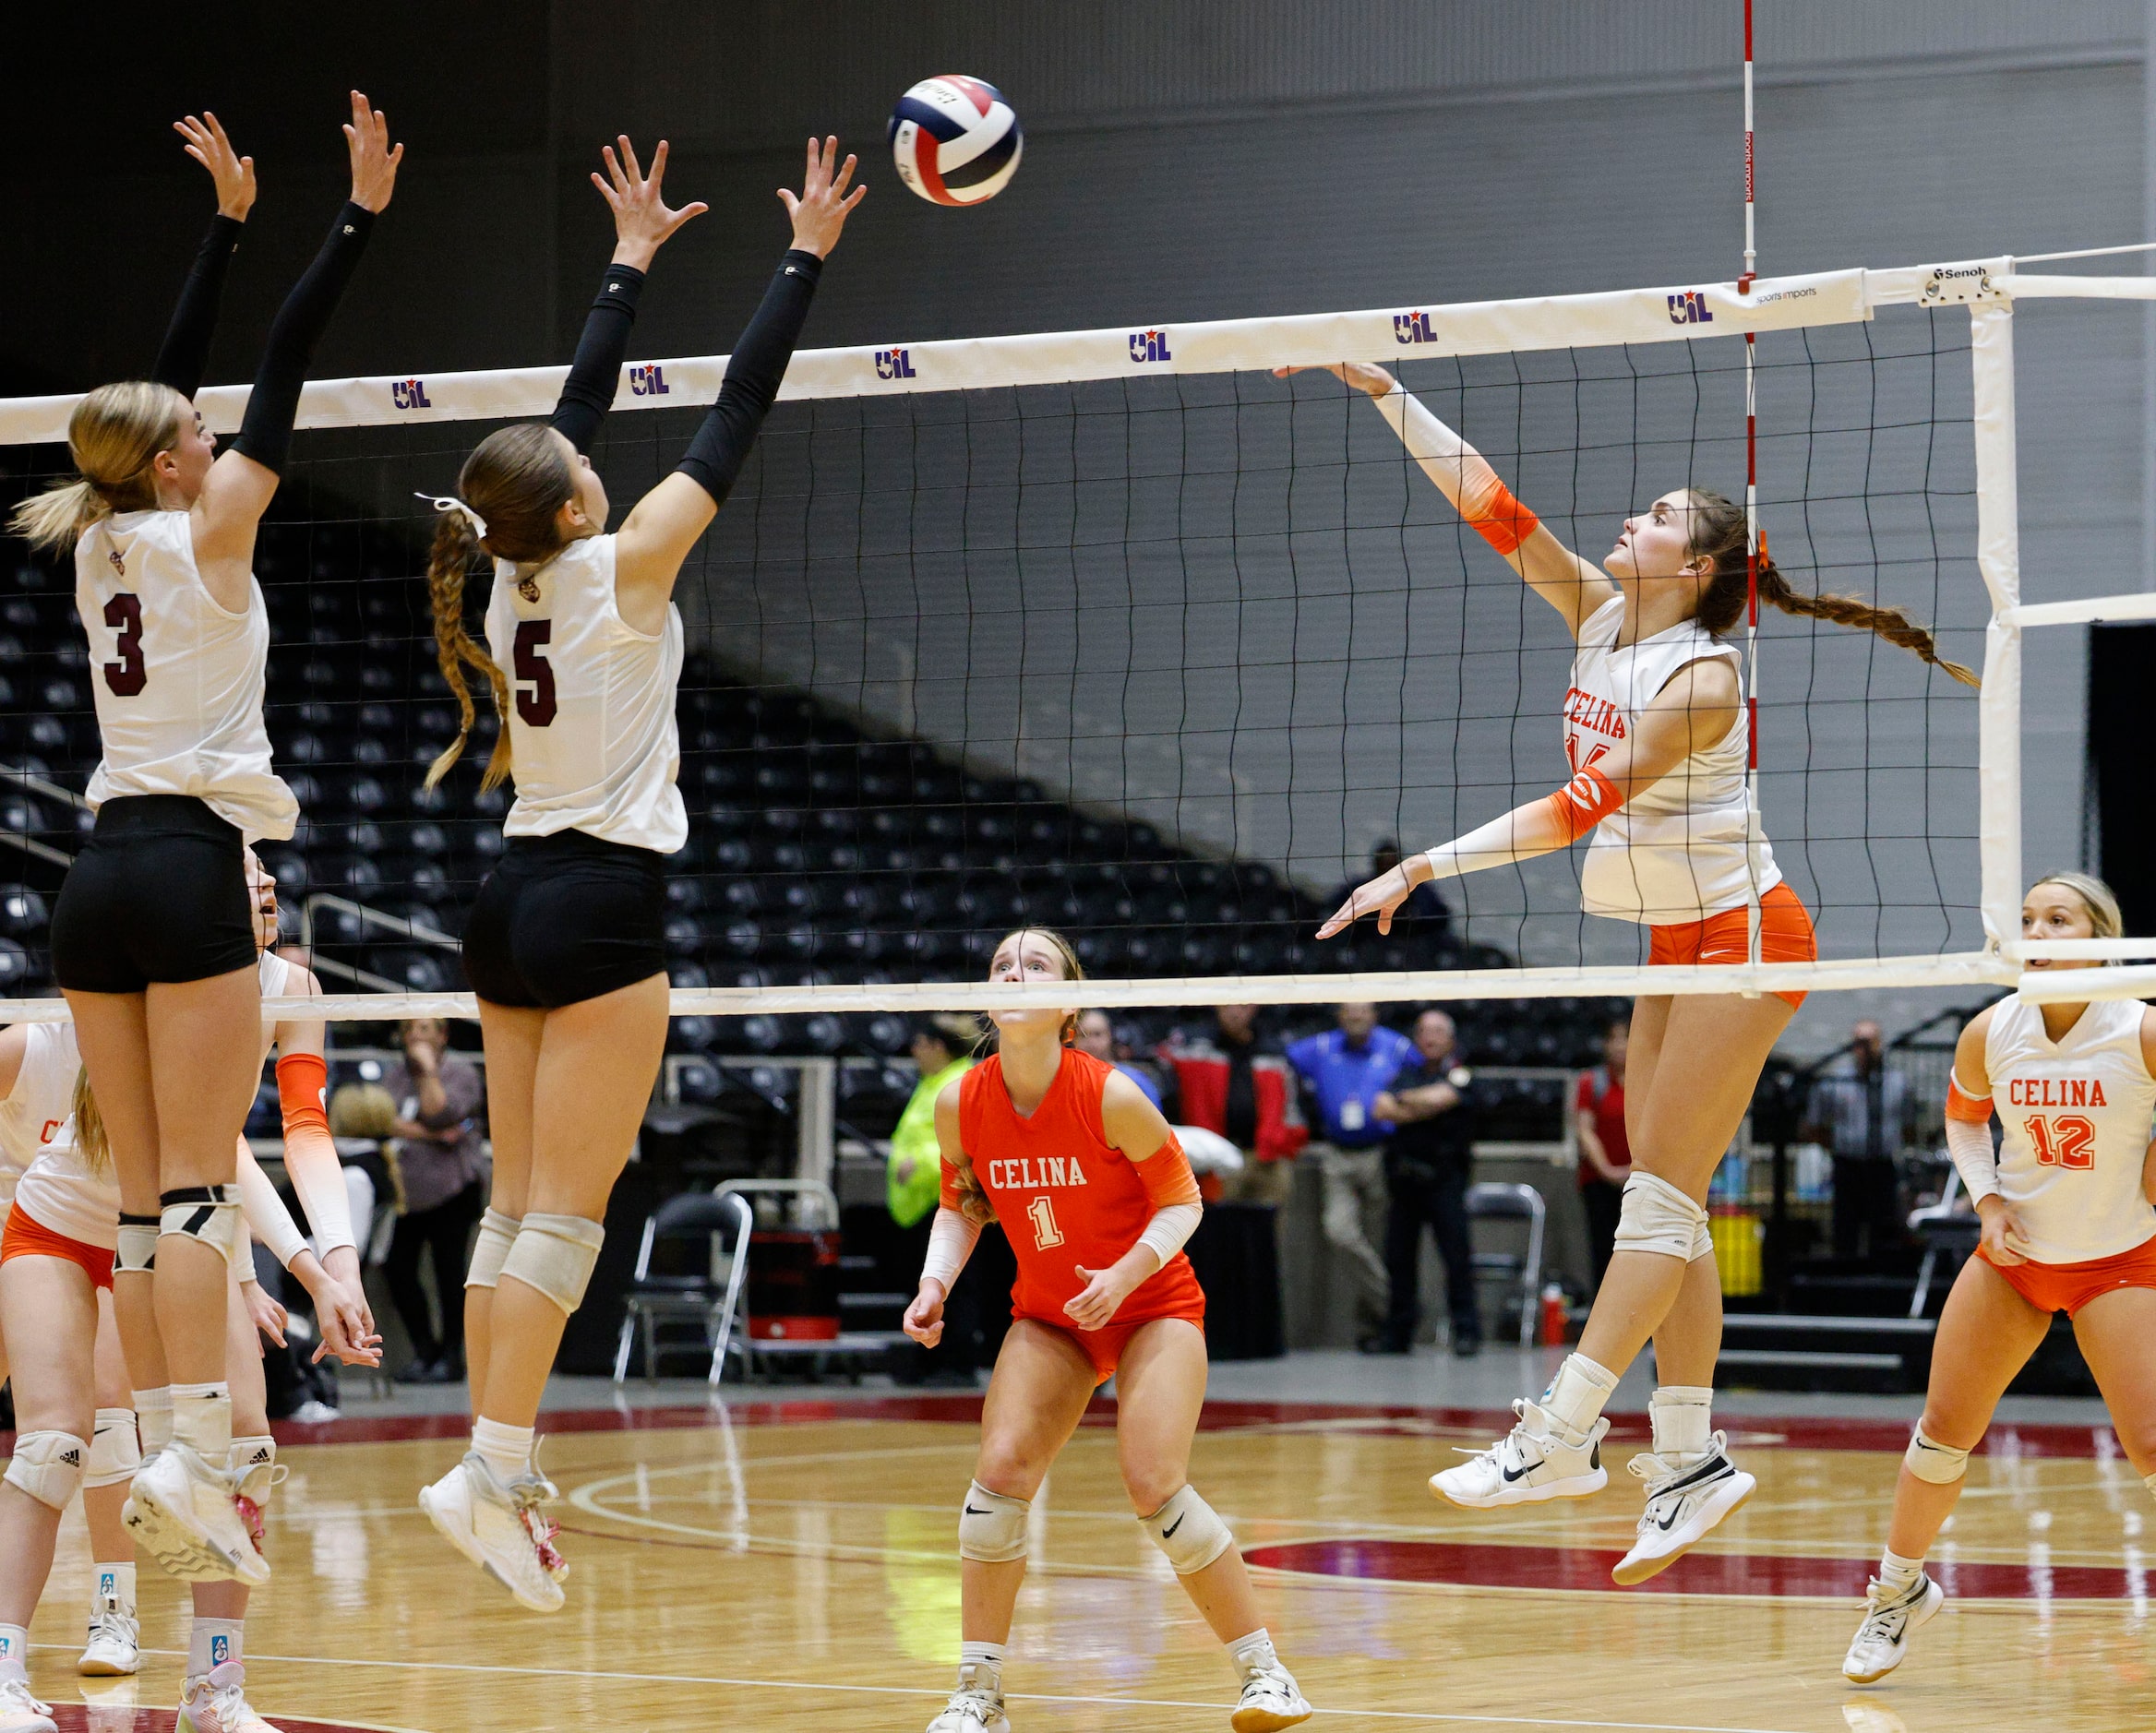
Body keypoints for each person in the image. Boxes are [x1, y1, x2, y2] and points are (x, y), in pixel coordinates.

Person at [1300, 355, 1976, 1583]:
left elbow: (1575, 810)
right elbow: (1492, 506)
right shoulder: (1606, 615)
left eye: (1658, 516)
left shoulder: (1703, 678)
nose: (1631, 519)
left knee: (1660, 1203)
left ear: (1701, 566)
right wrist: (1385, 391)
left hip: (1749, 937)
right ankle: (1689, 1457)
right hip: (1676, 937)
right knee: (1660, 1208)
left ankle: (1560, 1429)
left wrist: (1413, 871)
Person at [413, 135, 861, 1611]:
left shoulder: (509, 567)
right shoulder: (626, 564)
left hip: (509, 896)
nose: (603, 467)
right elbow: (733, 413)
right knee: (564, 1213)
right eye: (589, 478)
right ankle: (491, 1463)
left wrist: (628, 262)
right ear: (578, 509)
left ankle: (491, 1461)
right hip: (601, 901)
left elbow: (562, 423)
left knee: (509, 1208)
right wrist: (802, 254)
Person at [9, 95, 401, 1585]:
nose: (218, 435)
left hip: (95, 874)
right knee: (192, 1186)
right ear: (178, 464)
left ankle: (171, 1445)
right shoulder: (209, 527)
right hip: (187, 867)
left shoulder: (109, 532)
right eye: (201, 437)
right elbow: (281, 375)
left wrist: (226, 225)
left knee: (134, 1190)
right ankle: (186, 1447)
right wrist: (349, 218)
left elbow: (165, 391)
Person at [902, 929, 1312, 1733]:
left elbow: (1185, 1200)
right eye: (1000, 965)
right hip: (1053, 1316)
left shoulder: (1112, 1094)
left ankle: (1268, 1675)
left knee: (1154, 1484)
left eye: (1037, 964)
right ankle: (978, 1695)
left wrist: (1123, 1276)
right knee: (996, 1482)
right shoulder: (961, 1102)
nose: (1015, 972)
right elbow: (961, 1205)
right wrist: (933, 1285)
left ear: (1068, 1003)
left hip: (1152, 1306)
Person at [1842, 874, 2156, 1683]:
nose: (2038, 931)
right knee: (1943, 1431)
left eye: (2059, 919)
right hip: (2015, 1262)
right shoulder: (1990, 1029)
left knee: (2150, 1443)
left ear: (2101, 938)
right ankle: (1897, 1592)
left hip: (2120, 1262)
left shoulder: (2140, 1029)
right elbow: (1963, 1117)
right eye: (2027, 920)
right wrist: (1986, 1204)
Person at [1286, 1004, 1414, 1326]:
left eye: (1362, 1012)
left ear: (1374, 1015)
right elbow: (1282, 1061)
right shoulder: (1322, 1047)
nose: (1356, 1018)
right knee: (1339, 1231)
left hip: (1381, 1153)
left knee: (1381, 1240)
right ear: (1339, 1016)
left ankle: (1379, 1321)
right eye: (1349, 1012)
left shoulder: (1396, 1047)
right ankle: (1395, 1303)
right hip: (1337, 1153)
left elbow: (1426, 1072)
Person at [1369, 1010, 1479, 1356]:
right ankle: (1397, 1335)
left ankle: (1467, 1332)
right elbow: (1380, 1108)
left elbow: (1444, 1098)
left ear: (1450, 1038)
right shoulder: (1405, 1072)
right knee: (1399, 1259)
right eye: (1424, 1031)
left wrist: (1410, 1102)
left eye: (1437, 1032)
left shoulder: (1461, 1073)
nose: (1430, 1038)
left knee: (1456, 1258)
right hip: (1404, 1181)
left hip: (1445, 1180)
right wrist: (1422, 1103)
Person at [382, 1018, 487, 1383]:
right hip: (408, 1194)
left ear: (443, 1036)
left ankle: (452, 1357)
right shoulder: (396, 1074)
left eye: (425, 1029)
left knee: (449, 1274)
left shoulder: (460, 1072)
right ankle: (425, 1350)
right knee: (397, 1268)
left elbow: (439, 1111)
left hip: (453, 1190)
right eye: (410, 1028)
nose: (415, 1036)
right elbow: (381, 1119)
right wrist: (434, 1134)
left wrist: (427, 1069)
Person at [888, 1013, 978, 1384]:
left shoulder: (960, 1081)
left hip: (949, 1197)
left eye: (920, 1043)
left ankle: (957, 1366)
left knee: (957, 1287)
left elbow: (960, 1140)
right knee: (929, 1287)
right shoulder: (932, 1082)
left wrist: (919, 1165)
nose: (913, 1051)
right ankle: (929, 1360)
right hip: (919, 1204)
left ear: (937, 1046)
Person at [1158, 1005, 1305, 1206]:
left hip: (1267, 1157)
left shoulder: (1273, 1051)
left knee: (1269, 1228)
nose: (1235, 1012)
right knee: (1221, 1228)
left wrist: (1283, 1143)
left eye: (1242, 1006)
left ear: (1254, 1008)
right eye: (1228, 1005)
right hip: (1218, 1158)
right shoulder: (1194, 1049)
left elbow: (1291, 1103)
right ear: (1217, 1006)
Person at [1805, 1019, 1913, 1261]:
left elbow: (1909, 1127)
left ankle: (1882, 1274)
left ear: (1880, 1044)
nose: (1865, 1049)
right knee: (1845, 1223)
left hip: (1883, 1164)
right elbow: (1814, 1125)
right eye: (1859, 1042)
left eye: (1870, 1042)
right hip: (1847, 1163)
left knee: (1884, 1224)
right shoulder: (1835, 1082)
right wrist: (1839, 1146)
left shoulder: (1898, 1083)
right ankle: (1844, 1273)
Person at [1575, 1019, 1633, 1291]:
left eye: (1626, 1038)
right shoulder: (1592, 1082)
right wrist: (1609, 1171)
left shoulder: (1647, 1081)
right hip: (1599, 1183)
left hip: (1640, 1182)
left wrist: (1638, 1170)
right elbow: (1585, 1130)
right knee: (1604, 1251)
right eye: (1614, 1039)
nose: (1620, 1046)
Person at [1335, 842, 1451, 943]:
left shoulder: (1419, 888)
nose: (1387, 869)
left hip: (1410, 943)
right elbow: (1332, 908)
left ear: (1399, 863)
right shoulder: (1361, 887)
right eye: (1383, 865)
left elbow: (1441, 915)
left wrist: (1413, 916)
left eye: (1391, 865)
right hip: (1368, 944)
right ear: (1375, 864)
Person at [1076, 1009, 1164, 1109]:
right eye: (1083, 1035)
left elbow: (1154, 1121)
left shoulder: (1133, 1079)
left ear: (1110, 1036)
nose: (1091, 1042)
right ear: (1073, 1039)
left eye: (1097, 1034)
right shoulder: (1067, 1080)